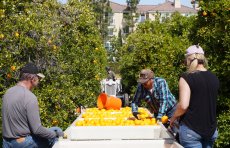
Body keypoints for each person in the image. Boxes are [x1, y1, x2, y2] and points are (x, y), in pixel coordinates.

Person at [2, 63, 64, 148]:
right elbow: (37, 130)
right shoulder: (30, 97)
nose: (39, 80)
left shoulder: (7, 92)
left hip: (6, 142)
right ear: (32, 78)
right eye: (38, 78)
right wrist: (54, 134)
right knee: (55, 136)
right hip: (22, 143)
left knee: (55, 129)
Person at [170, 45, 219, 148]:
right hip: (210, 130)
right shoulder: (214, 77)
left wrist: (173, 118)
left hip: (191, 130)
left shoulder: (186, 77)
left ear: (188, 60)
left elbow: (183, 105)